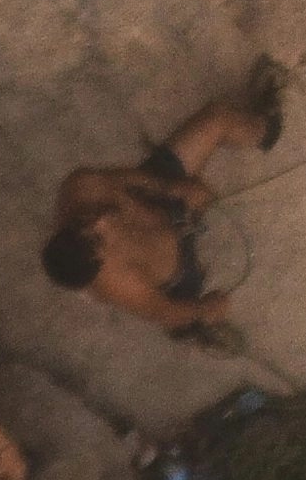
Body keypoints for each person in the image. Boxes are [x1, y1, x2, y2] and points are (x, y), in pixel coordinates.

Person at [39, 65, 283, 337]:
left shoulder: (80, 187)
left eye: (83, 220)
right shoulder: (114, 284)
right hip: (182, 267)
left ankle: (266, 128)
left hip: (160, 200)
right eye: (98, 238)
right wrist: (206, 309)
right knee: (188, 322)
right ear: (100, 260)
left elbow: (123, 178)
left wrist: (173, 188)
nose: (101, 220)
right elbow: (163, 312)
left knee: (218, 117)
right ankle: (195, 334)